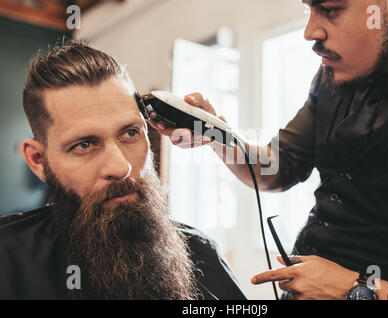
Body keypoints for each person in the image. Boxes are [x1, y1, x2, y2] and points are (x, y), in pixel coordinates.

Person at [150, 0, 388, 299]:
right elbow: (277, 168)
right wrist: (217, 134)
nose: (309, 32)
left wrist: (358, 290)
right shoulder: (338, 72)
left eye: (330, 9)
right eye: (310, 9)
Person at [0, 41, 246, 300]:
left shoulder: (201, 254)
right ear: (38, 160)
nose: (121, 168)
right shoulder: (8, 261)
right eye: (84, 144)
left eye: (130, 133)